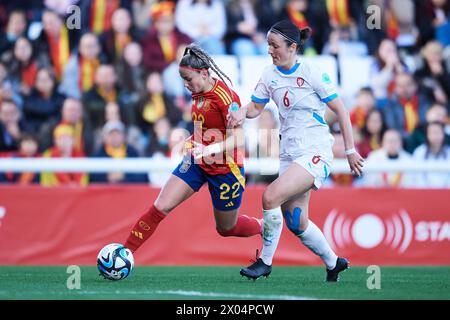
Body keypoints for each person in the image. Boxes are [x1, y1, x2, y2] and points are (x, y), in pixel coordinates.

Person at [228, 20, 364, 282]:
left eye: (274, 45)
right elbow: (256, 108)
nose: (269, 50)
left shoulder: (313, 72)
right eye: (268, 44)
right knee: (296, 222)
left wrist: (349, 151)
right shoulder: (269, 75)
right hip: (288, 152)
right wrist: (242, 113)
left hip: (315, 151)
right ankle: (334, 262)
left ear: (292, 47)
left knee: (270, 197)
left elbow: (342, 111)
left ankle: (264, 262)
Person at [123, 43, 262, 254]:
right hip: (198, 161)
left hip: (226, 169)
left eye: (188, 79)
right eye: (183, 80)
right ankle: (124, 253)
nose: (186, 85)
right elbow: (203, 128)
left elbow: (239, 139)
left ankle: (264, 226)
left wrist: (209, 149)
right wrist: (190, 142)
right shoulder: (198, 91)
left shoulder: (226, 98)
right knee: (161, 206)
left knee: (226, 228)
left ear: (204, 73)